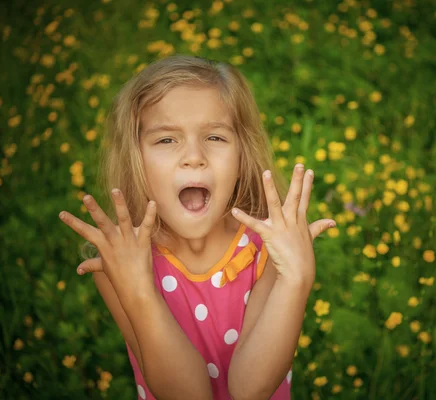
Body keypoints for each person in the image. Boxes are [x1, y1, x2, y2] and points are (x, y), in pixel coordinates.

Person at [58, 55, 336, 400]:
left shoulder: (267, 248)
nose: (194, 156)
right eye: (166, 140)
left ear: (242, 157)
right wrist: (140, 292)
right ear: (136, 160)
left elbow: (250, 390)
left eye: (215, 138)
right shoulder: (122, 259)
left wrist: (296, 279)